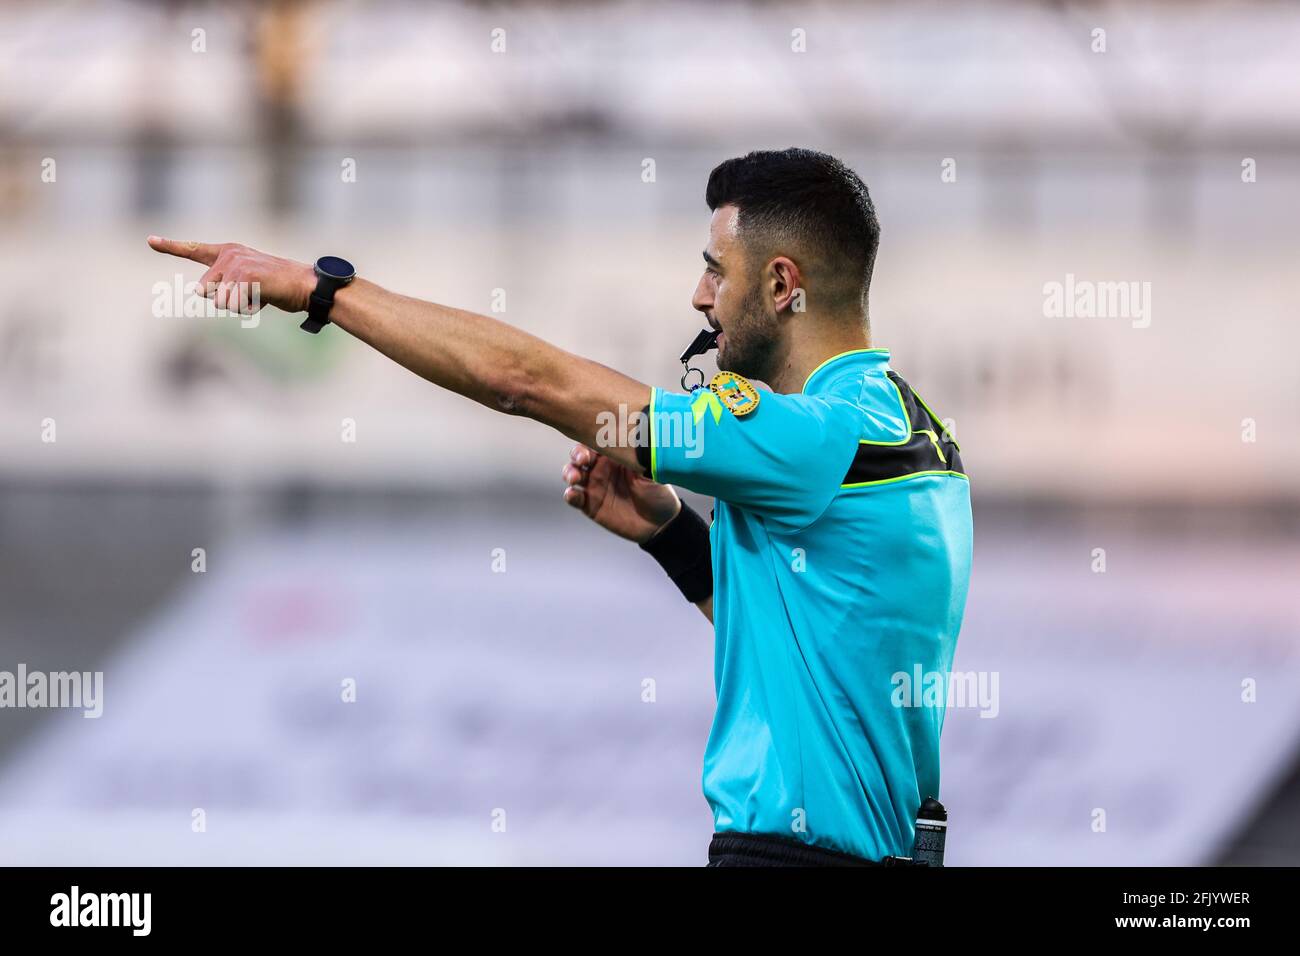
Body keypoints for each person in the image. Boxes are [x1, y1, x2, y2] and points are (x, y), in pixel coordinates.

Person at [149, 147, 972, 866]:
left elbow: (527, 382)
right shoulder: (914, 429)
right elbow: (819, 654)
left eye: (717, 270)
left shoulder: (812, 435)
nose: (699, 295)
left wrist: (321, 289)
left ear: (782, 283)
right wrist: (671, 534)